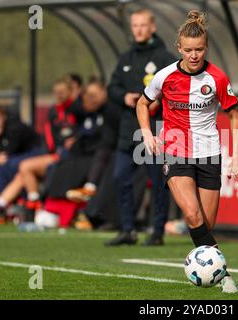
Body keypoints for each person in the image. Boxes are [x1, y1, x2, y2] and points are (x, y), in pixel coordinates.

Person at [136, 10, 238, 293]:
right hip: (175, 150)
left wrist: (237, 157)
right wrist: (147, 134)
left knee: (205, 224)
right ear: (179, 48)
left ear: (206, 47)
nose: (193, 55)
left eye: (199, 49)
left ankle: (208, 260)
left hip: (209, 153)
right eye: (188, 50)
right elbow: (142, 104)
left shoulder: (217, 79)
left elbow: (235, 115)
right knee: (191, 215)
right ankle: (224, 275)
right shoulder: (164, 76)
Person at [104, 8, 176, 246]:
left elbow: (174, 88)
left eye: (143, 25)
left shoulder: (165, 58)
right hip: (128, 129)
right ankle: (128, 229)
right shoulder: (126, 58)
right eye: (135, 26)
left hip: (155, 129)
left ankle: (157, 232)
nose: (139, 30)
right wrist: (124, 97)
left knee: (158, 182)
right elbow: (111, 88)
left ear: (152, 27)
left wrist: (156, 102)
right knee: (120, 177)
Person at [0, 79, 76, 222]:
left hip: (62, 157)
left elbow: (10, 152)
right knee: (19, 172)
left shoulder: (76, 111)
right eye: (56, 93)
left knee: (22, 166)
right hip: (52, 156)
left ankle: (32, 207)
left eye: (62, 92)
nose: (59, 96)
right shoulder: (54, 112)